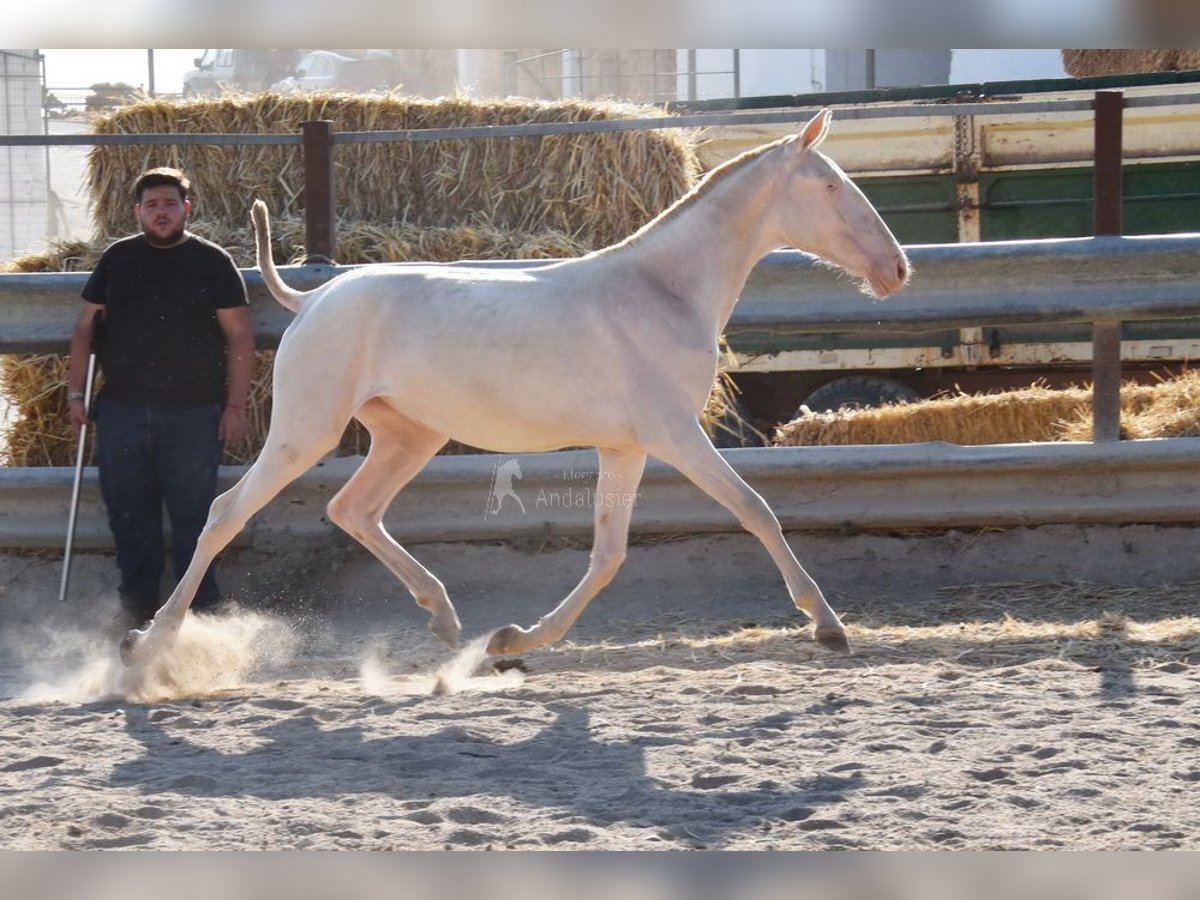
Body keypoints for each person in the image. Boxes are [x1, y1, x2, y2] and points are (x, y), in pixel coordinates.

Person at [67, 167, 254, 628]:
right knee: (130, 517)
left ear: (186, 208)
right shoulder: (118, 259)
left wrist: (235, 406)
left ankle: (203, 613)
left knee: (196, 517)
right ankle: (137, 611)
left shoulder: (211, 261)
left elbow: (240, 335)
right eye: (152, 205)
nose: (161, 212)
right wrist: (75, 392)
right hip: (122, 412)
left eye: (170, 203)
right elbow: (85, 328)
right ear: (137, 211)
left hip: (193, 414)